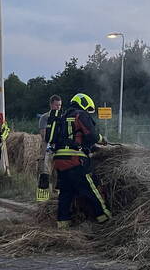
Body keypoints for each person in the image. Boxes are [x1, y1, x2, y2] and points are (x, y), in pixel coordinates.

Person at [51, 92, 111, 229]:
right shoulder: (80, 114)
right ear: (84, 104)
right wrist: (102, 140)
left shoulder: (62, 117)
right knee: (91, 189)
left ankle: (63, 224)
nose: (87, 111)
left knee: (65, 194)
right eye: (88, 109)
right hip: (75, 159)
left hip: (59, 160)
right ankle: (105, 217)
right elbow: (92, 136)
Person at [35, 95, 62, 201]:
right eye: (56, 105)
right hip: (46, 149)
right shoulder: (44, 117)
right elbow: (44, 135)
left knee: (57, 174)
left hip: (59, 149)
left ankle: (56, 199)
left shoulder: (62, 117)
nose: (58, 107)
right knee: (44, 173)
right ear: (51, 104)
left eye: (60, 105)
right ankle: (42, 200)